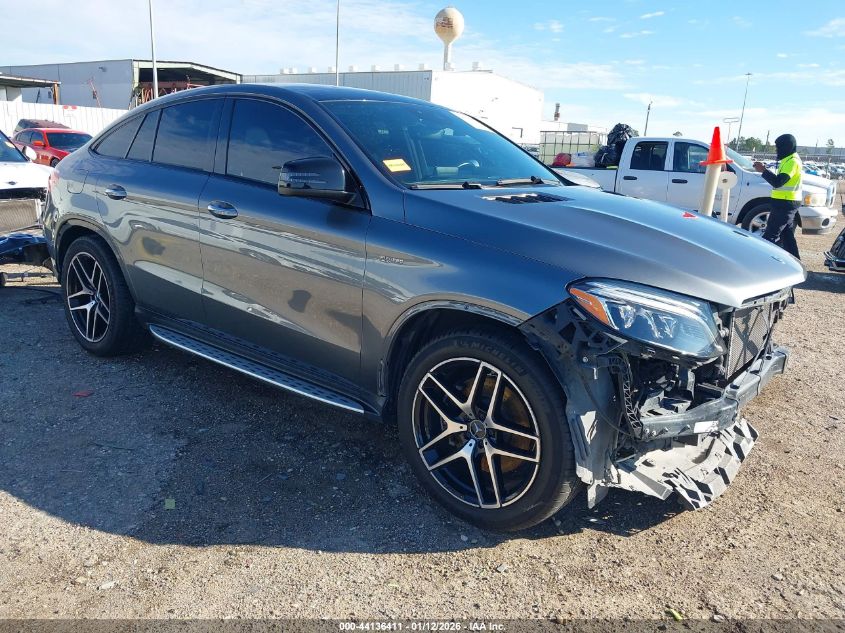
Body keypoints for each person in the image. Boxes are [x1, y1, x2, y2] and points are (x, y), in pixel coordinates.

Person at [753, 134, 802, 259]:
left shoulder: (792, 162)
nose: (777, 150)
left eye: (778, 147)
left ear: (786, 146)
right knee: (787, 236)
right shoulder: (788, 160)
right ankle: (796, 264)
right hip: (784, 202)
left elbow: (778, 182)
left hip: (785, 203)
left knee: (770, 235)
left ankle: (758, 264)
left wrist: (763, 170)